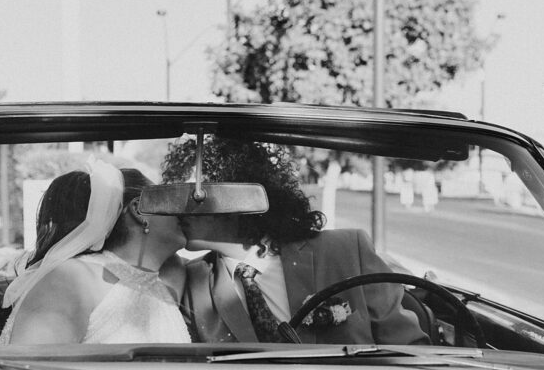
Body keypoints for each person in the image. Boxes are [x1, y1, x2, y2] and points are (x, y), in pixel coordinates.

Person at [161, 137, 429, 345]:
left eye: (193, 195)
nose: (178, 209)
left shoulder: (346, 251)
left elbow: (410, 349)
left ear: (238, 197)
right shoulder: (191, 283)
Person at [0, 160, 191, 345]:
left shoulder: (161, 283)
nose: (180, 212)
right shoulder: (73, 280)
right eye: (167, 202)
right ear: (139, 211)